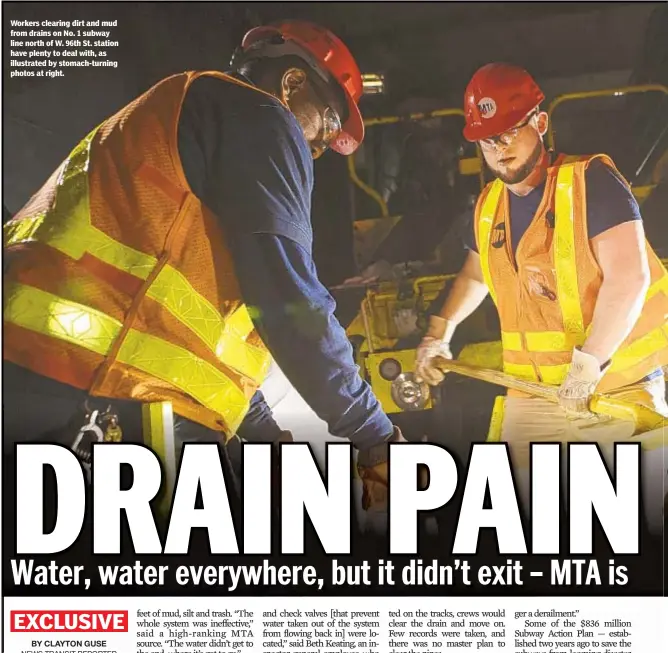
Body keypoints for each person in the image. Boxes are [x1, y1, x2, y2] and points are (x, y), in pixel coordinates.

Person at [2, 20, 402, 512]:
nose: (320, 149)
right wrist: (374, 435)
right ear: (292, 83)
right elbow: (289, 300)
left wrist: (260, 432)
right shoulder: (261, 117)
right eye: (327, 123)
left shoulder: (190, 125)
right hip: (69, 373)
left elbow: (183, 337)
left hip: (50, 368)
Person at [414, 63, 668, 512]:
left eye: (510, 131)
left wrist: (588, 366)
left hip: (612, 390)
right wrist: (439, 333)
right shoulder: (489, 204)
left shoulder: (591, 183)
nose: (499, 148)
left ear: (541, 123)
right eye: (487, 139)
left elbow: (629, 278)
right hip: (532, 395)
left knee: (622, 526)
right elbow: (475, 276)